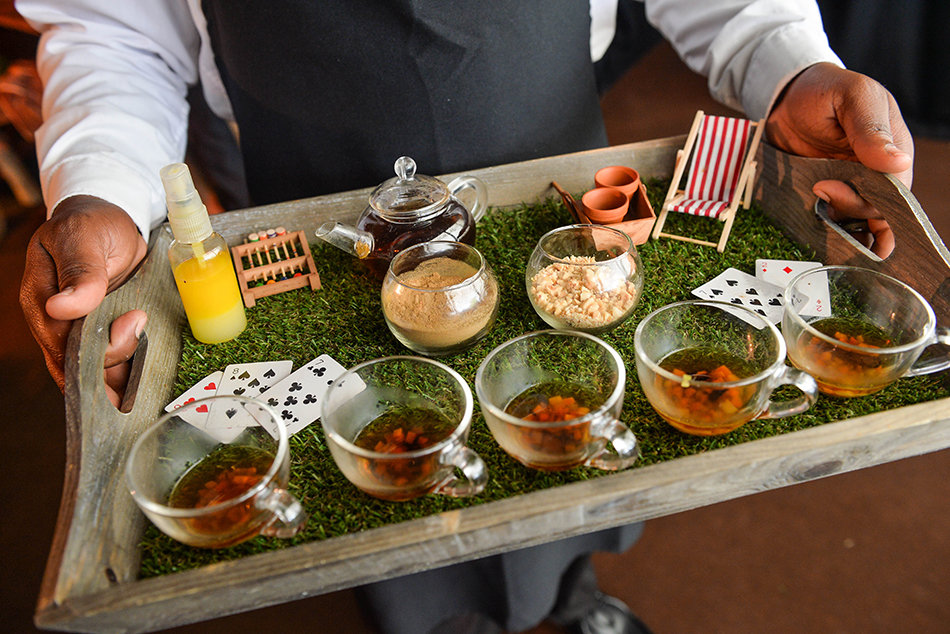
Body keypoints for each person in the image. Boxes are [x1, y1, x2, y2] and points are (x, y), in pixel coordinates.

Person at [15, 1, 913, 633]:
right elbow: (113, 31)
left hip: (540, 131)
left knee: (571, 416)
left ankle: (568, 586)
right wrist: (100, 185)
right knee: (382, 450)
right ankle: (436, 618)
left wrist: (791, 63)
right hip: (318, 166)